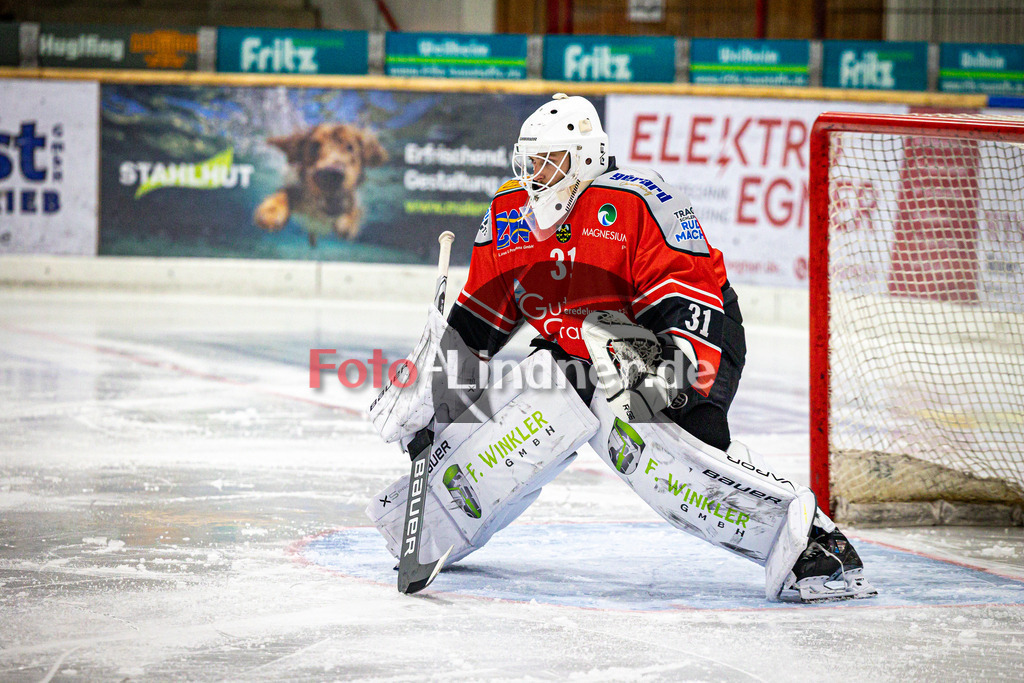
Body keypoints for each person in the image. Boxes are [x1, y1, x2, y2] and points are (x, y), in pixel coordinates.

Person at [368, 94, 876, 602]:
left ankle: (814, 544)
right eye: (530, 160)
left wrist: (678, 389)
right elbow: (479, 323)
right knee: (543, 393)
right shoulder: (508, 213)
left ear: (587, 157)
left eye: (552, 160)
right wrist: (437, 397)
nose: (536, 175)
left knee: (667, 453)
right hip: (587, 347)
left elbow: (688, 297)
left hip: (684, 337)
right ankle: (438, 516)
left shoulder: (635, 200)